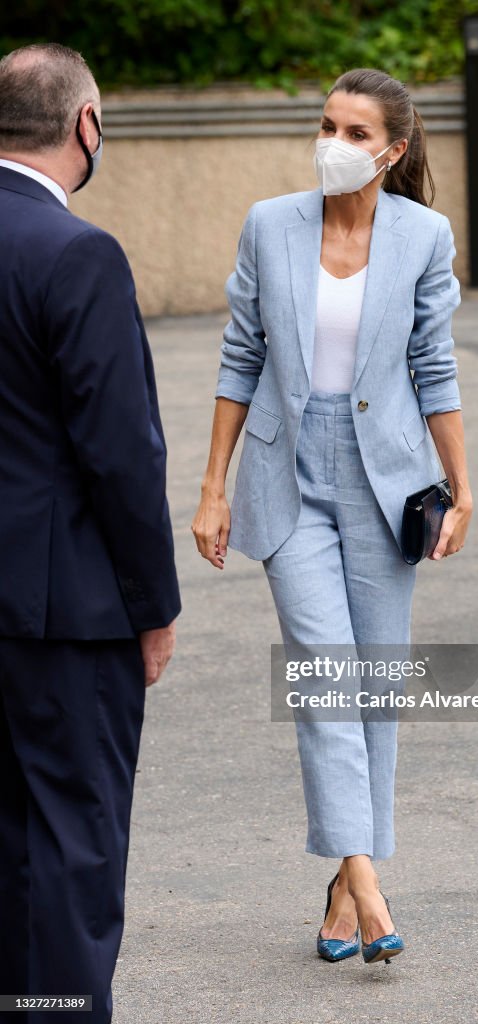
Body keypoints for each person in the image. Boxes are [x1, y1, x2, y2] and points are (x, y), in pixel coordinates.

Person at [192, 67, 472, 964]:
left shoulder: (423, 235)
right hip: (287, 472)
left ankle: (341, 888)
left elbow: (435, 368)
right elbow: (241, 357)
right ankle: (368, 880)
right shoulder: (270, 224)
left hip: (387, 475)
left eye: (356, 134)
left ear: (391, 151)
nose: (334, 145)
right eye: (325, 125)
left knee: (374, 688)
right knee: (324, 676)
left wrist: (462, 489)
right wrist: (211, 486)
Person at [0, 44, 180, 1022]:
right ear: (85, 126)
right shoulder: (79, 253)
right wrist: (154, 608)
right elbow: (121, 451)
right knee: (72, 845)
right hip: (66, 610)